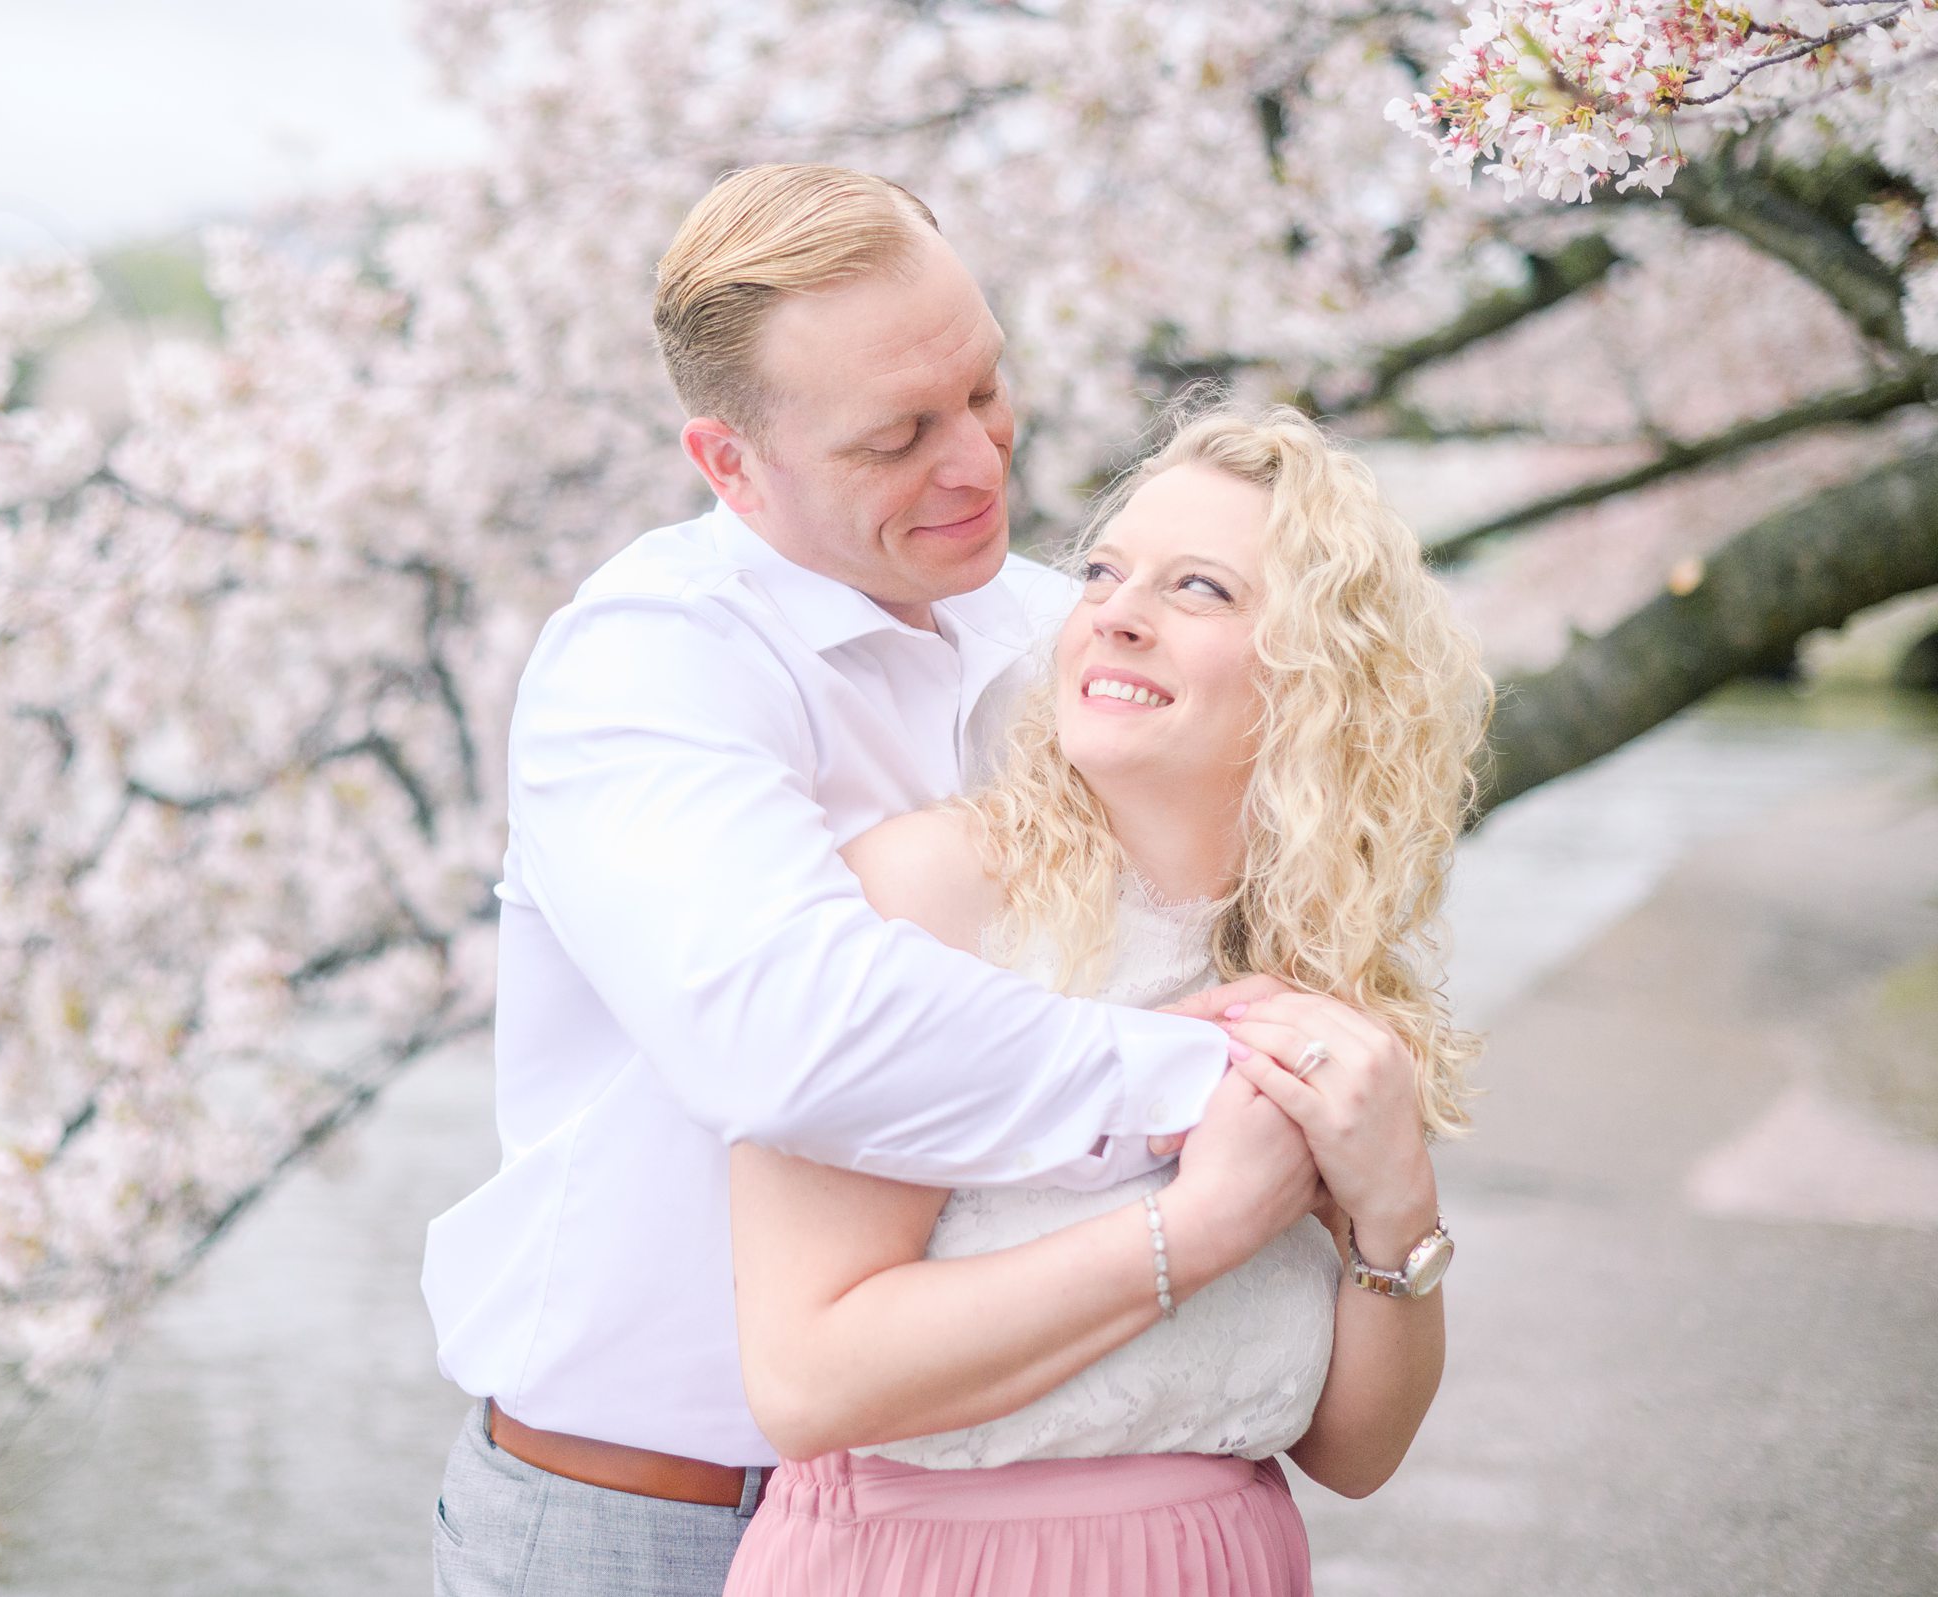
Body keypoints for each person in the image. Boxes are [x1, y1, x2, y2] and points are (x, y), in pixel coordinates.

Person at [421, 167, 1340, 1597]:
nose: (977, 460)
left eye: (983, 388)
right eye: (898, 437)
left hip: (972, 1524)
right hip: (639, 1519)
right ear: (730, 463)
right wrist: (1216, 1093)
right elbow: (788, 1033)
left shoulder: (1066, 635)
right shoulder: (647, 666)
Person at [721, 405, 1492, 1595]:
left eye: (1201, 588)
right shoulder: (933, 897)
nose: (1116, 613)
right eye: (1102, 572)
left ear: (1322, 673)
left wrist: (1397, 1200)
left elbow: (1357, 1452)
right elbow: (806, 1380)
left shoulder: (1323, 971)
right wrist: (1201, 1226)